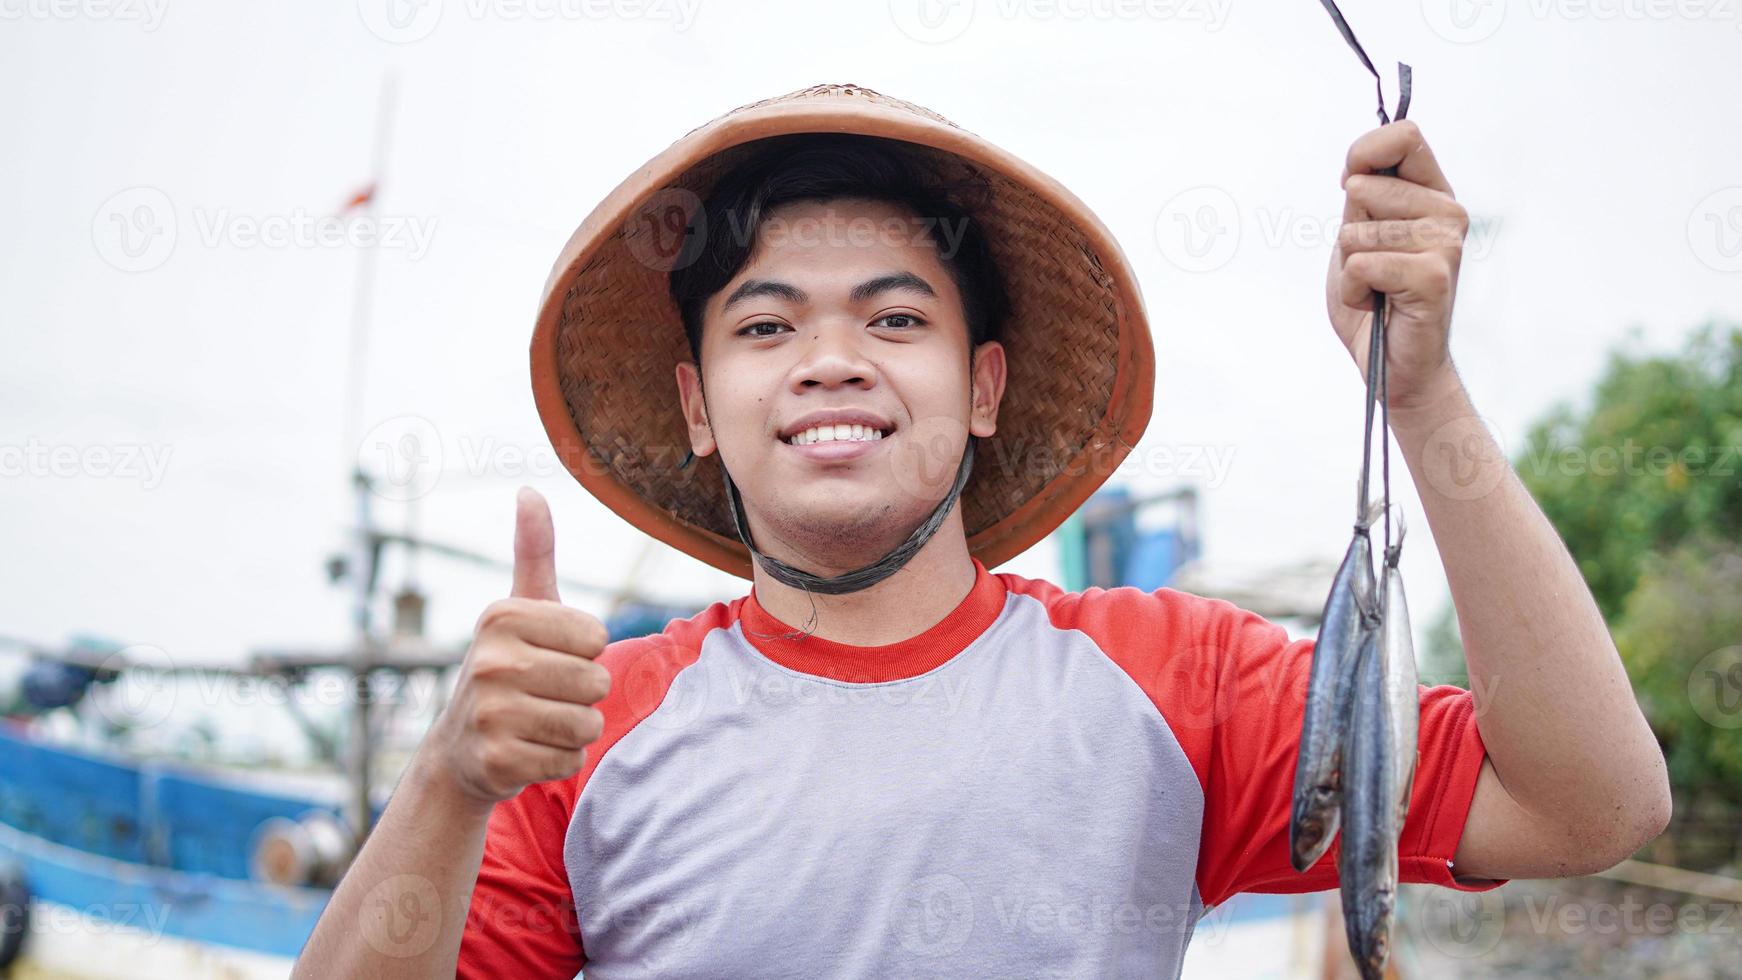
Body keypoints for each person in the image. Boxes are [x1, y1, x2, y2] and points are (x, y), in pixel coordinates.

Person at [292, 83, 1670, 978]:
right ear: (697, 405)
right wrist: (445, 786)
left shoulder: (1171, 681)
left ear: (986, 385)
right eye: (766, 326)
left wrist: (1418, 394)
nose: (830, 361)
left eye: (897, 319)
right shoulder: (575, 731)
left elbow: (1585, 805)